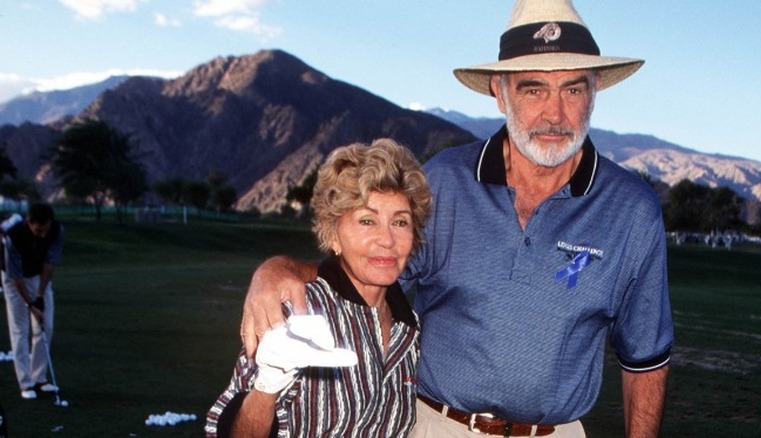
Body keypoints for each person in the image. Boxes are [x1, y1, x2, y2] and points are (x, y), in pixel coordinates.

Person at [238, 0, 674, 436]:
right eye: (533, 89)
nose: (555, 114)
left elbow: (645, 357)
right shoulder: (446, 179)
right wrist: (280, 269)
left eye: (573, 90)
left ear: (595, 90)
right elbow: (371, 267)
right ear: (500, 93)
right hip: (435, 424)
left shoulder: (631, 209)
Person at [206, 138, 432, 437]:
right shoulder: (299, 313)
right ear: (333, 235)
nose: (387, 239)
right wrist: (266, 388)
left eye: (400, 222)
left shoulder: (410, 328)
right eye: (367, 220)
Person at [2, 203, 64, 400]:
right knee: (20, 329)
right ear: (29, 222)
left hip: (38, 276)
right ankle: (26, 383)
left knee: (46, 324)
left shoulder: (56, 230)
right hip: (13, 279)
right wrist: (30, 304)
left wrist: (39, 297)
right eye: (38, 230)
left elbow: (49, 264)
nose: (43, 235)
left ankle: (40, 378)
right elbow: (16, 277)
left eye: (45, 230)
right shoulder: (13, 236)